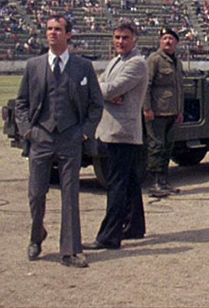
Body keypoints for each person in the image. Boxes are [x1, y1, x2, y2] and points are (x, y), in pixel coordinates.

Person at [16, 14, 103, 268]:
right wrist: (27, 131)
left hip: (70, 136)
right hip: (41, 136)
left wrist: (85, 132)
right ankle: (36, 236)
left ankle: (70, 250)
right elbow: (21, 102)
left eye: (58, 29)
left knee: (70, 194)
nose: (52, 33)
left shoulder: (82, 67)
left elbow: (96, 104)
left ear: (68, 35)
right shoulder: (34, 65)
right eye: (49, 29)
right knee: (36, 192)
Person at [85, 19, 150, 251]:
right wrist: (106, 91)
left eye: (125, 38)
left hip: (121, 132)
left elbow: (108, 88)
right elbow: (101, 85)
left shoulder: (137, 63)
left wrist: (106, 92)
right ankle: (134, 226)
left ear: (135, 40)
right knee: (130, 181)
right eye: (117, 37)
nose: (120, 42)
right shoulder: (115, 61)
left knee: (117, 186)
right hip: (113, 130)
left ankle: (109, 236)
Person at [143, 27, 184, 198]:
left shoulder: (177, 62)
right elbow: (147, 84)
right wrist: (147, 108)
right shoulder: (154, 60)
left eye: (171, 39)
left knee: (167, 147)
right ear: (160, 41)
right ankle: (155, 182)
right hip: (157, 111)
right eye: (165, 38)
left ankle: (164, 181)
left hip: (172, 112)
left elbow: (179, 88)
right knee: (156, 147)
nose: (168, 41)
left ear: (176, 42)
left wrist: (180, 111)